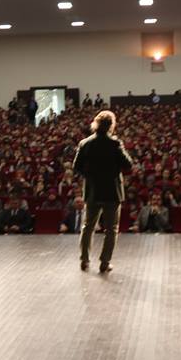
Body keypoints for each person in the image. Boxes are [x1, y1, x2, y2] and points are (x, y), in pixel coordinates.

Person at [72, 110, 133, 273]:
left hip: (92, 191)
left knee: (88, 226)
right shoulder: (115, 143)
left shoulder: (85, 143)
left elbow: (76, 166)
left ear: (96, 124)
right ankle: (104, 262)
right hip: (112, 192)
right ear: (111, 125)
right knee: (111, 229)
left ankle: (84, 260)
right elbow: (128, 164)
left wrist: (89, 176)